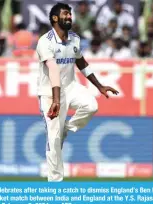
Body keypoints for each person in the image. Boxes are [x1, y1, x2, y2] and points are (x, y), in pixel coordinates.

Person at [36, 3, 119, 182]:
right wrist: (56, 101)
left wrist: (99, 86)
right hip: (49, 94)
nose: (69, 17)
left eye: (70, 14)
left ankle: (67, 128)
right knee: (53, 138)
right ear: (55, 18)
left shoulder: (74, 38)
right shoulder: (45, 41)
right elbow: (53, 71)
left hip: (71, 87)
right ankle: (55, 184)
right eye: (66, 14)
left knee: (91, 105)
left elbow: (81, 63)